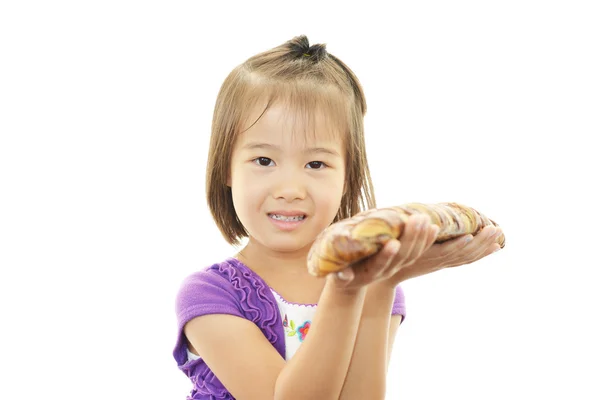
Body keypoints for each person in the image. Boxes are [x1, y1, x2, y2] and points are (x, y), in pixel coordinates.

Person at [172, 35, 502, 400]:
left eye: (316, 164)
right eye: (264, 161)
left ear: (348, 178)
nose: (290, 189)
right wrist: (346, 291)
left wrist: (379, 286)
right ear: (227, 169)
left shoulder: (377, 284)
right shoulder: (209, 295)